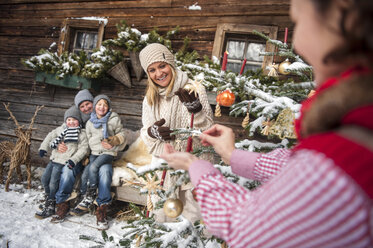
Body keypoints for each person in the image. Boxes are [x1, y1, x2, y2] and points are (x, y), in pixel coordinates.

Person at [161, 0, 373, 247]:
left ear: (340, 16)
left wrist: (195, 165)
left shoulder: (345, 164)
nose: (297, 44)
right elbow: (290, 164)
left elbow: (241, 226)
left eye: (298, 21)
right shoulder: (355, 133)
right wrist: (232, 154)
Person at [139, 43, 214, 222]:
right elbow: (144, 131)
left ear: (171, 64)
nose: (159, 73)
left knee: (193, 218)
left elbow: (209, 131)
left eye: (162, 66)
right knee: (163, 218)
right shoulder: (150, 98)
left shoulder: (193, 89)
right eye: (152, 70)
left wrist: (197, 112)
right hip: (164, 167)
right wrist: (152, 132)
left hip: (193, 163)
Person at [74, 94, 127, 229]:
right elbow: (87, 141)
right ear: (94, 107)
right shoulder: (90, 122)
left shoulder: (113, 119)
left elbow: (123, 136)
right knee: (103, 170)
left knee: (96, 168)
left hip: (108, 153)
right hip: (94, 153)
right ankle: (93, 203)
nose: (101, 107)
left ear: (108, 107)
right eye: (99, 104)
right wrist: (85, 155)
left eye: (105, 105)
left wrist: (114, 141)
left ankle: (95, 201)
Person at [35, 106, 88, 219]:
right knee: (45, 179)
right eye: (69, 120)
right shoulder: (61, 129)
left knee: (53, 182)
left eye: (74, 120)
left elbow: (83, 149)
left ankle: (50, 204)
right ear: (65, 120)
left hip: (64, 162)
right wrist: (43, 148)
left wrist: (73, 160)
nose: (71, 122)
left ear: (79, 121)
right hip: (54, 160)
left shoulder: (81, 134)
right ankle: (51, 198)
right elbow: (49, 137)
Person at [54, 89, 94, 217]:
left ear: (94, 102)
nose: (86, 108)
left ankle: (82, 199)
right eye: (82, 106)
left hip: (92, 154)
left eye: (88, 104)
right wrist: (59, 145)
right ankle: (62, 202)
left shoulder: (100, 116)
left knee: (87, 173)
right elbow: (61, 131)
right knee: (67, 170)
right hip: (76, 156)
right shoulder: (76, 118)